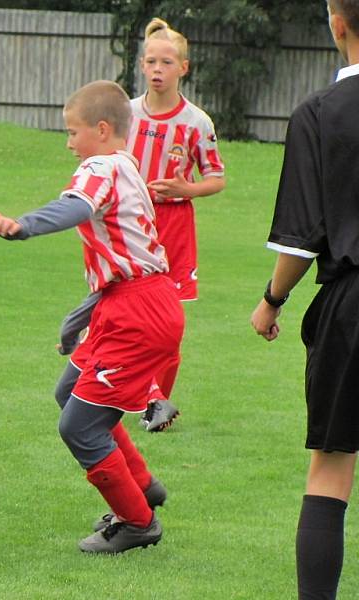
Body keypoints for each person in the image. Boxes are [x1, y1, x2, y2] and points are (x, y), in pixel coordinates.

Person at [0, 80, 184, 554]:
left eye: (72, 132)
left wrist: (25, 226)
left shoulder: (100, 166)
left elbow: (77, 205)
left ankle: (138, 522)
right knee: (69, 393)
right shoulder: (128, 168)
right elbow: (120, 265)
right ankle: (142, 488)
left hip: (137, 312)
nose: (69, 143)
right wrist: (76, 322)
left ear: (101, 130)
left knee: (79, 426)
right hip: (125, 303)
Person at [54, 18, 226, 434]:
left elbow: (216, 178)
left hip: (173, 222)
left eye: (166, 62)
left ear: (183, 67)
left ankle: (155, 402)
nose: (157, 69)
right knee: (119, 307)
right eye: (150, 61)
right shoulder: (124, 114)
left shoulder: (197, 122)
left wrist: (187, 187)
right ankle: (130, 390)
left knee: (166, 318)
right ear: (141, 65)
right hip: (128, 223)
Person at [251, 2, 359, 597]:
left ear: (336, 23)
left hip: (351, 307)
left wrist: (272, 299)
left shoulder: (319, 114)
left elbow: (304, 235)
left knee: (332, 463)